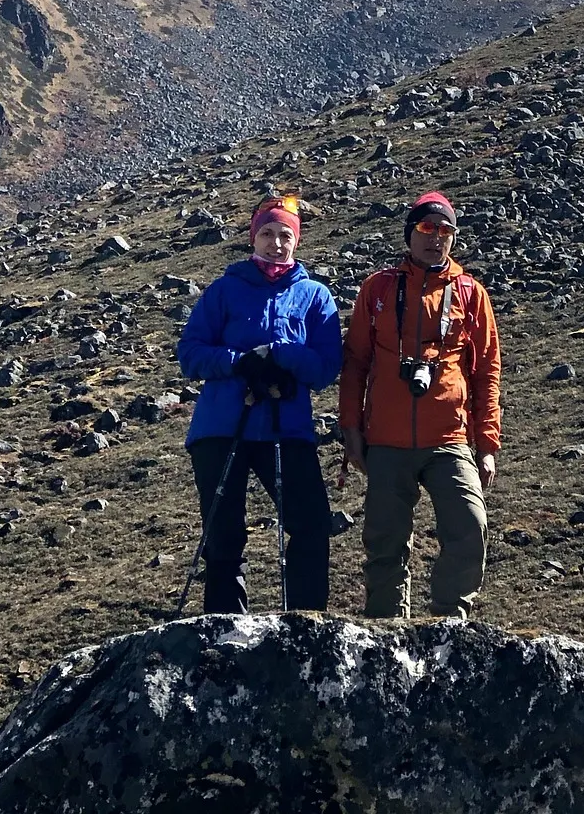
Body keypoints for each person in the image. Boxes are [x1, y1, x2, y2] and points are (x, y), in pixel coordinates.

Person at [338, 189, 501, 619]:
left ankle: (450, 621)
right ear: (410, 233)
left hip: (449, 438)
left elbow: (487, 372)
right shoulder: (377, 289)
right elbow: (354, 363)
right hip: (386, 440)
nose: (437, 237)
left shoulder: (471, 293)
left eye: (446, 230)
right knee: (385, 541)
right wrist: (351, 431)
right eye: (428, 228)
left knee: (470, 524)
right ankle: (388, 630)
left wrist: (486, 445)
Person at [177, 195, 342, 613]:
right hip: (221, 426)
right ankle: (224, 628)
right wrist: (240, 362)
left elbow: (325, 367)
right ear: (254, 238)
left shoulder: (315, 297)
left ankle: (307, 622)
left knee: (310, 523)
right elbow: (190, 354)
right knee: (224, 532)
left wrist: (282, 355)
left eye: (286, 235)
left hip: (286, 428)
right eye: (267, 234)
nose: (276, 243)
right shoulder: (224, 290)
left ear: (297, 241)